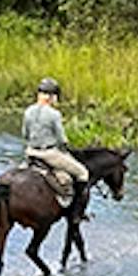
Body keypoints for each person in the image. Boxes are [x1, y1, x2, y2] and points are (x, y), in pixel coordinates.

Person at [22, 77, 90, 210]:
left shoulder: (28, 111)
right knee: (83, 173)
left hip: (30, 151)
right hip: (49, 154)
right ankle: (74, 208)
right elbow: (61, 139)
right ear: (52, 97)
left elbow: (25, 134)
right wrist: (66, 147)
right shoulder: (54, 114)